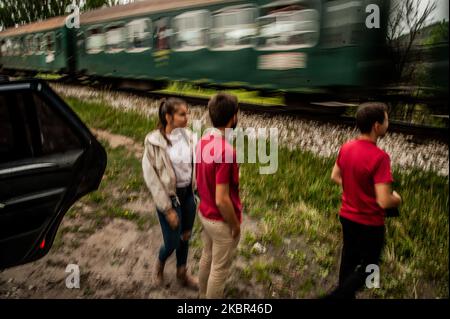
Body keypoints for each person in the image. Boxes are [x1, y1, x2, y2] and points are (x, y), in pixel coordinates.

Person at [328, 102, 402, 299]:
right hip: (370, 223)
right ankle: (338, 296)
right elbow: (384, 201)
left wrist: (355, 187)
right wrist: (398, 199)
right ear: (376, 126)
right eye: (386, 120)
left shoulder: (346, 147)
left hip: (347, 216)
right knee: (370, 267)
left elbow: (335, 176)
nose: (388, 123)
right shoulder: (380, 158)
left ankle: (345, 296)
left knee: (349, 257)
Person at [142, 97, 198, 289]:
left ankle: (182, 273)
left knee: (186, 236)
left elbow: (198, 164)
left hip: (188, 195)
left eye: (187, 113)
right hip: (169, 198)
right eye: (182, 114)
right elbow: (152, 180)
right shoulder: (153, 142)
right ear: (168, 117)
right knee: (173, 241)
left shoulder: (190, 137)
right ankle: (159, 264)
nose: (187, 118)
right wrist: (167, 209)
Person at [195, 93, 242, 299]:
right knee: (219, 269)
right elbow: (222, 199)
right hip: (219, 220)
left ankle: (202, 294)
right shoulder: (226, 151)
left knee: (207, 254)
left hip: (204, 214)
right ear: (233, 117)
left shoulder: (203, 141)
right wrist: (235, 225)